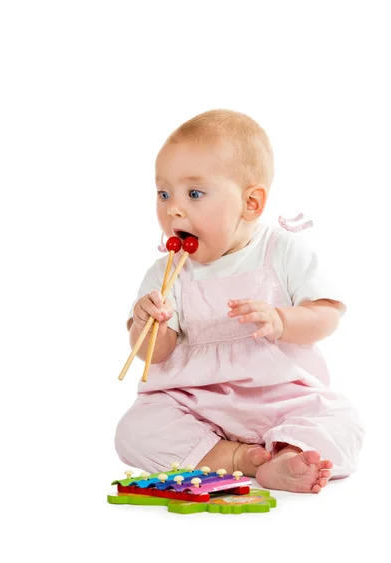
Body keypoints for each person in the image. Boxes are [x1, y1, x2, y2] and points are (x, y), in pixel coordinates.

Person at [114, 109, 364, 493]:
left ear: (251, 203)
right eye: (163, 193)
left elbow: (327, 314)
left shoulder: (283, 252)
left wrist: (283, 320)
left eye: (194, 194)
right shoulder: (167, 273)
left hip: (282, 399)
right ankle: (234, 457)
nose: (173, 209)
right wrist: (150, 326)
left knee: (343, 419)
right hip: (194, 404)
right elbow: (153, 356)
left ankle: (285, 454)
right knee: (135, 430)